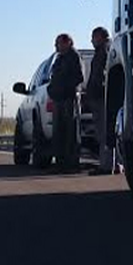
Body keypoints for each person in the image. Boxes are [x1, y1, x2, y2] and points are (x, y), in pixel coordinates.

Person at [47, 33, 84, 173]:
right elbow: (54, 77)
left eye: (58, 43)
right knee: (59, 132)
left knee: (71, 132)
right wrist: (53, 90)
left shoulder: (74, 57)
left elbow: (79, 77)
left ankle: (71, 163)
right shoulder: (59, 59)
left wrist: (65, 89)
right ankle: (60, 163)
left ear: (67, 42)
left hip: (68, 99)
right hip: (58, 99)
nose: (56, 46)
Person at [85, 27, 111, 174]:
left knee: (104, 132)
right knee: (104, 132)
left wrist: (97, 90)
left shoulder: (104, 52)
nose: (92, 41)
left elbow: (101, 76)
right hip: (99, 96)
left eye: (94, 37)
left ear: (100, 37)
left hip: (101, 97)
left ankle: (106, 165)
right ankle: (109, 164)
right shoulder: (101, 52)